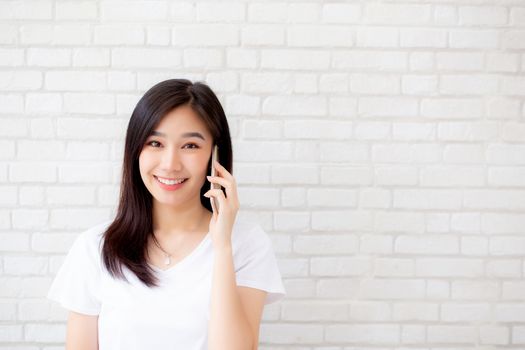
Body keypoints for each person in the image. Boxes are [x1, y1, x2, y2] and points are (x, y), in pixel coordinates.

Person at [47, 79, 286, 350]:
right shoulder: (95, 247)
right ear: (135, 150)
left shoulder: (246, 243)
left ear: (214, 155)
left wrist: (221, 247)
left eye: (190, 146)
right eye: (155, 143)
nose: (170, 164)